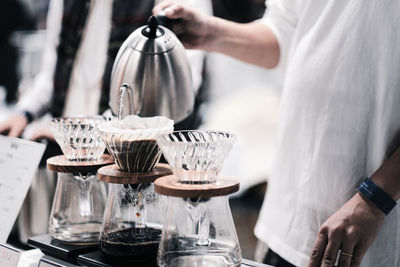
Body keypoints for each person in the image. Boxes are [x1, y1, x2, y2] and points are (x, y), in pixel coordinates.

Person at [152, 1, 400, 266]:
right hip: (287, 221)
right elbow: (284, 34)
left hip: (373, 231)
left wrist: (374, 199)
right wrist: (210, 32)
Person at [0, 0, 212, 244]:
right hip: (69, 160)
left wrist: (82, 129)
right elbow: (51, 77)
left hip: (134, 169)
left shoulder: (174, 5)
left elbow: (178, 94)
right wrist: (23, 113)